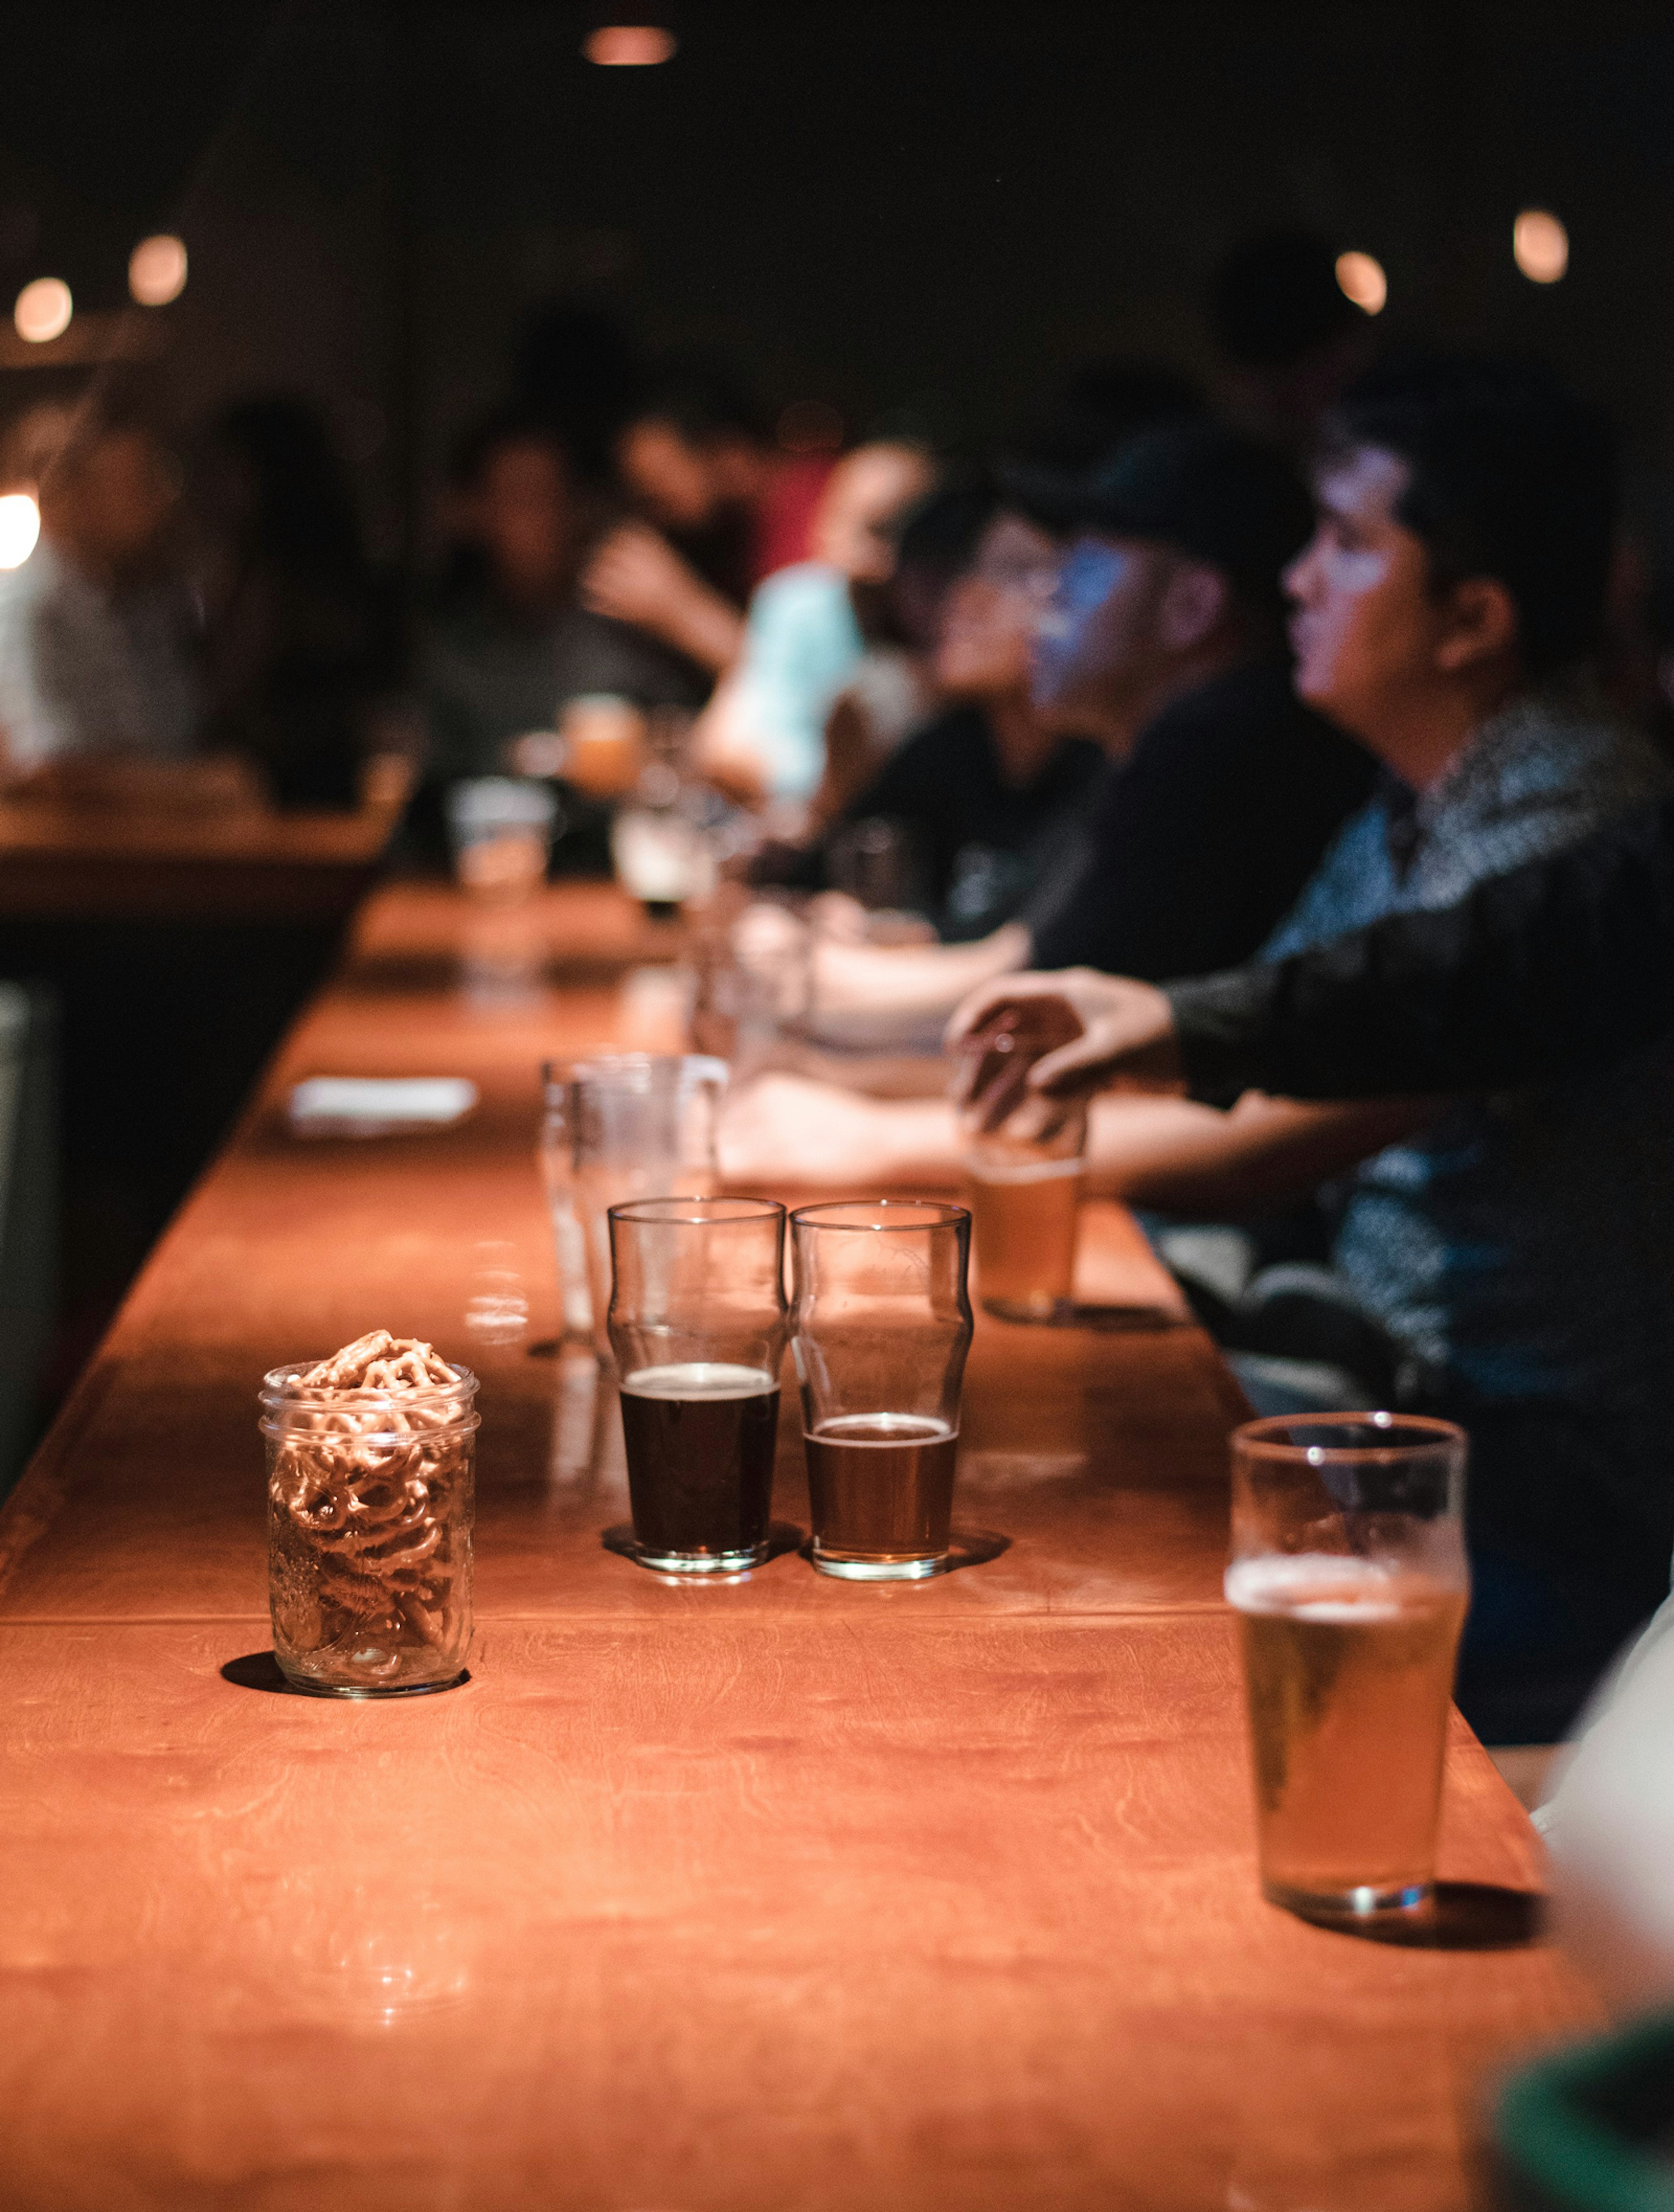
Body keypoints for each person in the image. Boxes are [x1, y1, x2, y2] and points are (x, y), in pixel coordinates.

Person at [955, 360, 1674, 1742]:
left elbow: (1314, 1104)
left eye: (1346, 544)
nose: (1295, 580)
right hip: (1392, 1398)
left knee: (1061, 1591)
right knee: (1033, 1461)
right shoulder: (1420, 789)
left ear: (1469, 615)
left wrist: (938, 1142)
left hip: (1531, 1491)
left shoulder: (1565, 808)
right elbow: (1289, 1012)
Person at [793, 421, 1375, 1042]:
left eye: (1084, 559)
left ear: (1193, 606)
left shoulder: (1220, 746)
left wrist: (804, 1020)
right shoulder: (1165, 743)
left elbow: (1040, 1028)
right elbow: (1021, 964)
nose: (1051, 590)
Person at [754, 483, 1106, 938]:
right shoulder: (952, 745)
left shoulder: (1106, 768)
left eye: (1011, 572)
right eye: (970, 568)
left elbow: (1023, 959)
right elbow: (810, 884)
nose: (968, 596)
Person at [418, 408, 703, 787]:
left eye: (554, 495)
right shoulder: (448, 652)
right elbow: (430, 780)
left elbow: (689, 745)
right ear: (474, 512)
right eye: (521, 497)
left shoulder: (629, 630)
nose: (543, 518)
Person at [690, 440, 937, 806]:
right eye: (849, 519)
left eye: (889, 530)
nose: (868, 552)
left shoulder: (943, 620)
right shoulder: (794, 602)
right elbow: (743, 741)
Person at [196, 396, 398, 809]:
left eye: (227, 469)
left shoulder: (299, 576)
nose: (213, 488)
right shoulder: (258, 567)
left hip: (308, 799)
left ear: (265, 472)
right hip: (263, 796)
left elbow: (237, 692)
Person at [580, 363, 835, 676]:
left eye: (660, 490)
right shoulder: (735, 538)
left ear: (729, 453)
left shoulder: (820, 513)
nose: (656, 517)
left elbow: (819, 690)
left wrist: (683, 611)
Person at [0, 396, 198, 776]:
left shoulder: (125, 595)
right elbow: (46, 769)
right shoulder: (33, 603)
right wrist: (195, 789)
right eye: (139, 484)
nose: (160, 503)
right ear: (73, 494)